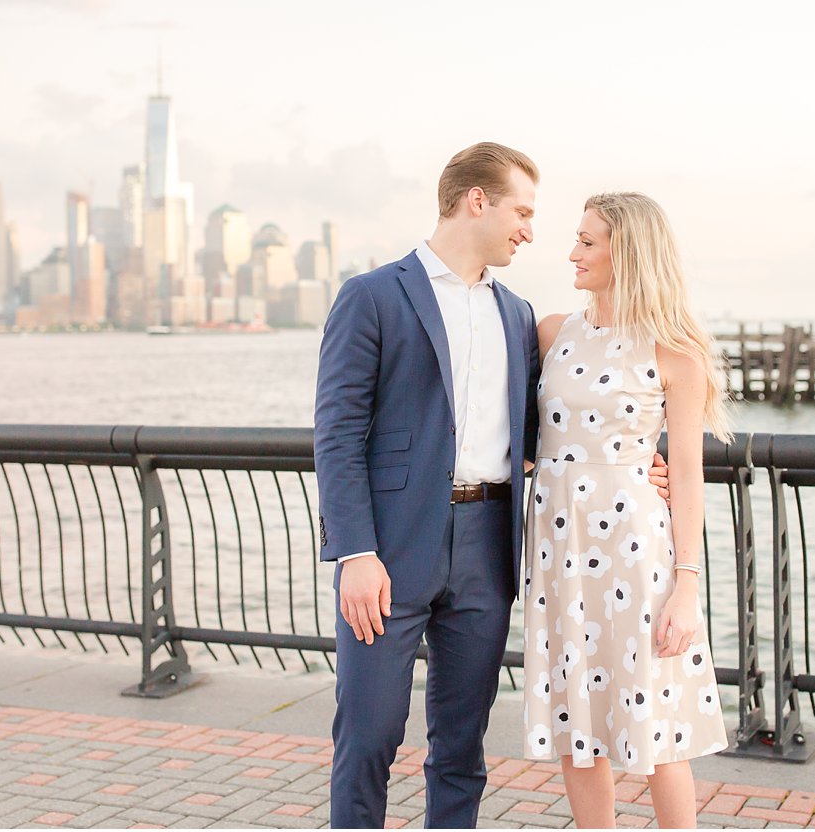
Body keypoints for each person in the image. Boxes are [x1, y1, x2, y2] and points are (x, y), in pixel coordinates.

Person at [314, 144, 669, 829]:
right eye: (522, 211)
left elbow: (549, 433)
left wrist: (639, 461)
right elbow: (337, 436)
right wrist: (355, 553)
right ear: (477, 200)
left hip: (488, 546)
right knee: (369, 734)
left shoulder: (517, 314)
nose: (531, 231)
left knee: (461, 742)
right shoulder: (372, 297)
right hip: (389, 548)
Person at [521, 191, 734, 829]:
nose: (572, 252)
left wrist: (687, 587)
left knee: (659, 729)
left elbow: (689, 473)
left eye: (588, 241)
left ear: (629, 252)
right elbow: (528, 433)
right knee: (576, 723)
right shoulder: (553, 332)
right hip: (559, 551)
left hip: (637, 551)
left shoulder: (676, 353)